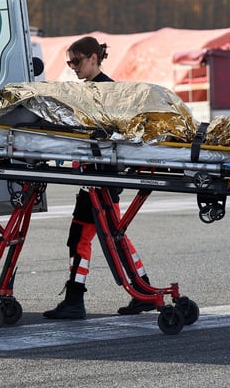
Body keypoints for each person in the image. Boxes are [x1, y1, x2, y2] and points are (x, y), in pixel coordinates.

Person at [43, 36, 155, 319]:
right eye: (70, 62)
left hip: (102, 180)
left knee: (106, 238)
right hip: (94, 179)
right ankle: (141, 290)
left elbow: (114, 133)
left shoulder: (108, 90)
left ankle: (81, 298)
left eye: (77, 61)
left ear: (94, 58)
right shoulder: (92, 88)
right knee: (94, 237)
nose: (73, 67)